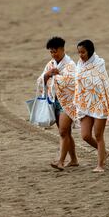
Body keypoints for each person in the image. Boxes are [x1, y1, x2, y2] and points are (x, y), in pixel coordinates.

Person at [74, 39, 109, 172]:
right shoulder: (79, 64)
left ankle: (100, 165)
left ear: (90, 51)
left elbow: (99, 82)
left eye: (83, 52)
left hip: (99, 103)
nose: (80, 55)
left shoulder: (99, 63)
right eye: (79, 52)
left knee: (99, 135)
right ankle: (104, 152)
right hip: (85, 104)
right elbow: (79, 83)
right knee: (85, 136)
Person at [36, 37, 78, 171]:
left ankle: (61, 161)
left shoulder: (70, 65)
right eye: (51, 52)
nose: (54, 54)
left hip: (69, 102)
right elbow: (40, 80)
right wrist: (47, 75)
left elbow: (71, 82)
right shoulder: (50, 64)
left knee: (63, 131)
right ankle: (74, 160)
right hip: (55, 101)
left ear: (62, 49)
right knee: (67, 133)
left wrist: (56, 76)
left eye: (55, 51)